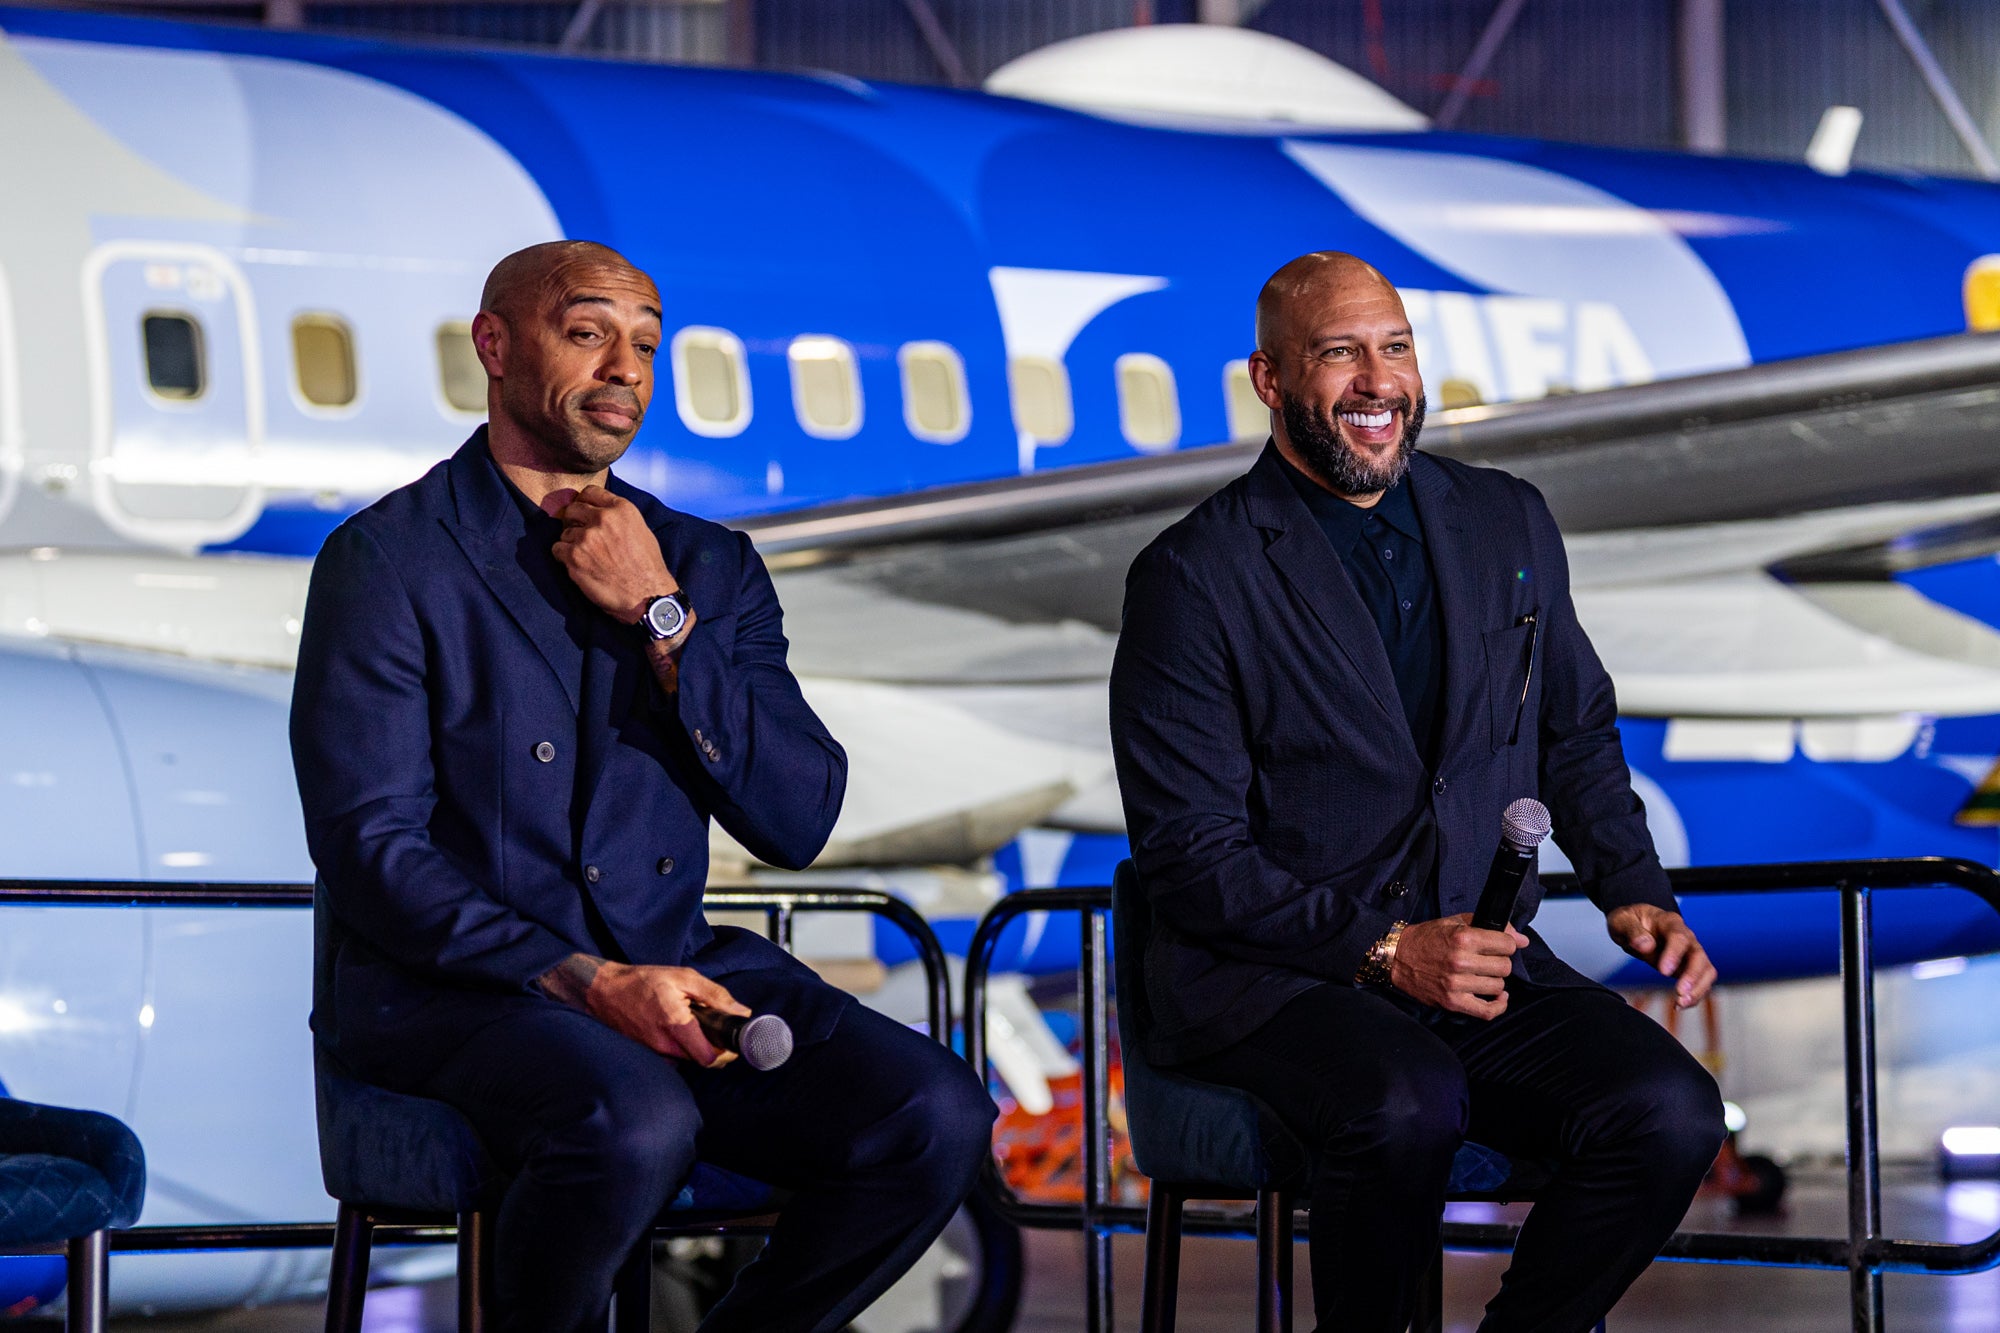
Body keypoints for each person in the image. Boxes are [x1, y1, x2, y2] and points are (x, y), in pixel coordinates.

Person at [291, 240, 993, 1333]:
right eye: (587, 333)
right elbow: (369, 846)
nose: (624, 367)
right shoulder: (387, 560)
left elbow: (799, 815)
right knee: (635, 1121)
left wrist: (664, 618)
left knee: (934, 1113)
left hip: (674, 966)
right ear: (494, 346)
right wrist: (584, 979)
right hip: (461, 992)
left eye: (646, 345)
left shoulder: (703, 565)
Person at [1109, 251, 1725, 1333]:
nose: (1377, 381)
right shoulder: (1191, 576)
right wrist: (1388, 948)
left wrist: (1631, 885)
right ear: (1269, 379)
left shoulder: (1507, 521)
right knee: (1405, 1102)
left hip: (1477, 969)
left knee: (1670, 1110)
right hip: (1275, 982)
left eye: (1393, 348)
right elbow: (1189, 856)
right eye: (1338, 353)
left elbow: (1571, 726)